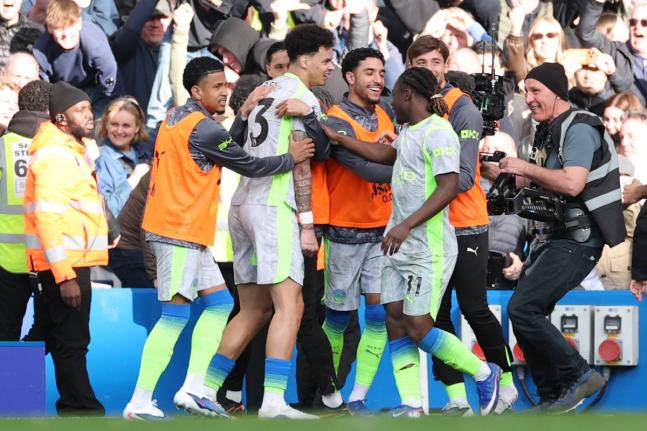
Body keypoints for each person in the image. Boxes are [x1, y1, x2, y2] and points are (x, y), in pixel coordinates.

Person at [122, 56, 314, 420]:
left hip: (187, 232)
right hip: (175, 230)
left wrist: (241, 113)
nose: (224, 92)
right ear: (197, 91)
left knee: (221, 305)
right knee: (174, 316)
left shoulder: (176, 117)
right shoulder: (203, 129)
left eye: (226, 85)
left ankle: (195, 388)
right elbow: (250, 164)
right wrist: (289, 158)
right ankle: (139, 401)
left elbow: (226, 140)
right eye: (216, 87)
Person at [324, 67, 501, 418]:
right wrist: (343, 141)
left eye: (395, 95)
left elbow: (450, 186)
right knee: (394, 318)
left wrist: (404, 226)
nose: (390, 102)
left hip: (427, 248)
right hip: (399, 246)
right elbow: (389, 157)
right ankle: (412, 404)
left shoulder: (439, 133)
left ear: (407, 95)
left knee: (419, 326)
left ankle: (485, 373)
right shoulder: (408, 130)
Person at [202, 23, 333, 420]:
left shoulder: (263, 92)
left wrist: (241, 114)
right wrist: (307, 224)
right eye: (326, 60)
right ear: (305, 59)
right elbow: (311, 160)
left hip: (243, 204)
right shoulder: (302, 99)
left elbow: (237, 144)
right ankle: (274, 401)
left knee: (253, 310)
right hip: (276, 207)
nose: (330, 67)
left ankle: (205, 390)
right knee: (290, 304)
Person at [499, 62, 625, 413]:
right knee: (526, 311)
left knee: (523, 309)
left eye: (536, 90)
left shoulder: (580, 126)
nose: (529, 99)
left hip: (578, 239)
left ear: (557, 91)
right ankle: (553, 394)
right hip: (554, 237)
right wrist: (498, 167)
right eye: (526, 91)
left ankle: (580, 374)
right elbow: (539, 179)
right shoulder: (547, 129)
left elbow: (572, 183)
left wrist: (523, 167)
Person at [406, 35, 515, 415]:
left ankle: (505, 383)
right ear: (409, 66)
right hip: (432, 228)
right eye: (421, 63)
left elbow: (465, 177)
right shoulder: (413, 107)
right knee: (434, 316)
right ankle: (455, 398)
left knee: (474, 308)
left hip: (466, 223)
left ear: (446, 64)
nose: (429, 69)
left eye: (435, 62)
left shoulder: (462, 108)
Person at [23, 81, 109, 415]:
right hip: (65, 266)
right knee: (72, 343)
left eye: (90, 107)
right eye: (81, 110)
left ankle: (18, 395)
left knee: (47, 337)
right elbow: (47, 219)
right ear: (61, 118)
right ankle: (83, 410)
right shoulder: (57, 155)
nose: (90, 115)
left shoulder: (68, 151)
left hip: (65, 264)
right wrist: (64, 276)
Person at [321, 47, 394, 414]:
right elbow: (364, 169)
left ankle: (358, 396)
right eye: (369, 72)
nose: (378, 79)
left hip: (383, 233)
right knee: (336, 318)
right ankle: (328, 393)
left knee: (379, 316)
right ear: (350, 78)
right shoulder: (335, 120)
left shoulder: (385, 113)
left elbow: (388, 159)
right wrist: (410, 166)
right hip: (344, 233)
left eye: (381, 72)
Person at [0, 79, 50, 341]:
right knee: (49, 328)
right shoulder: (57, 147)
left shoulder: (3, 146)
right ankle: (26, 371)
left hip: (6, 259)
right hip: (48, 257)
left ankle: (9, 380)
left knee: (6, 330)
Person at [32, 0, 120, 116]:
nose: (66, 33)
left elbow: (110, 80)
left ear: (79, 23)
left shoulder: (94, 44)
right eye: (59, 28)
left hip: (94, 88)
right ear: (49, 28)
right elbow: (45, 90)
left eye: (70, 26)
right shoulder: (41, 50)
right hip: (61, 91)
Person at [95, 97, 151, 217]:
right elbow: (106, 211)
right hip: (121, 233)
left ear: (137, 127)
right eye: (114, 124)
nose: (119, 131)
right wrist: (132, 181)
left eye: (126, 125)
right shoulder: (101, 159)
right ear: (106, 125)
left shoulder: (144, 155)